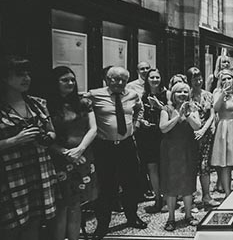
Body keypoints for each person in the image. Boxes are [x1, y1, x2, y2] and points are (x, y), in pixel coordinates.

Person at [0, 56, 59, 240]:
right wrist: (15, 140)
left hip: (39, 170)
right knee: (10, 225)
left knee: (35, 219)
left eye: (27, 74)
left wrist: (48, 137)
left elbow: (52, 132)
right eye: (19, 74)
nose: (26, 78)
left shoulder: (37, 103)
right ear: (4, 78)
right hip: (10, 175)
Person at [88, 66, 147, 238]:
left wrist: (135, 125)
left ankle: (132, 216)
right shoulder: (94, 94)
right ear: (107, 79)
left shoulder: (132, 95)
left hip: (126, 145)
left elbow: (139, 109)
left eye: (123, 79)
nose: (120, 82)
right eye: (115, 79)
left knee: (131, 183)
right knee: (106, 186)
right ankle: (103, 224)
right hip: (104, 147)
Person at [46, 66, 98, 240]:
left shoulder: (83, 102)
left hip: (82, 156)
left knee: (76, 204)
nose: (70, 83)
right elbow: (45, 137)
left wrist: (80, 149)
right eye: (65, 80)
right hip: (59, 160)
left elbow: (93, 129)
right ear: (55, 82)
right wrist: (65, 153)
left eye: (72, 79)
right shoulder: (46, 105)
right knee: (61, 206)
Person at [159, 82, 202, 231]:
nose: (182, 94)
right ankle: (171, 218)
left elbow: (197, 126)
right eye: (179, 92)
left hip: (188, 149)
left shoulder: (192, 108)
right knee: (171, 183)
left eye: (185, 92)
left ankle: (188, 215)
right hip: (171, 150)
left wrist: (188, 114)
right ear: (173, 94)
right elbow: (163, 128)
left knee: (188, 182)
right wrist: (176, 117)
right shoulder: (166, 109)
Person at [186, 66, 219, 209]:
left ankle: (207, 196)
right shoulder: (187, 95)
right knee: (191, 167)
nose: (198, 81)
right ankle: (191, 199)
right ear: (189, 80)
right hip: (191, 136)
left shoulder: (208, 95)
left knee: (205, 167)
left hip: (206, 135)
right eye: (194, 79)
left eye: (199, 78)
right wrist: (197, 130)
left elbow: (212, 114)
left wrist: (204, 130)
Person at [137, 68, 167, 213]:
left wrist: (159, 107)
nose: (154, 80)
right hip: (148, 135)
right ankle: (157, 197)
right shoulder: (142, 95)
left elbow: (173, 111)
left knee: (164, 166)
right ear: (147, 80)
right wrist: (142, 121)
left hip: (163, 134)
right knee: (152, 167)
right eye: (152, 77)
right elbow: (138, 114)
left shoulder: (166, 94)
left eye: (157, 77)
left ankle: (167, 197)